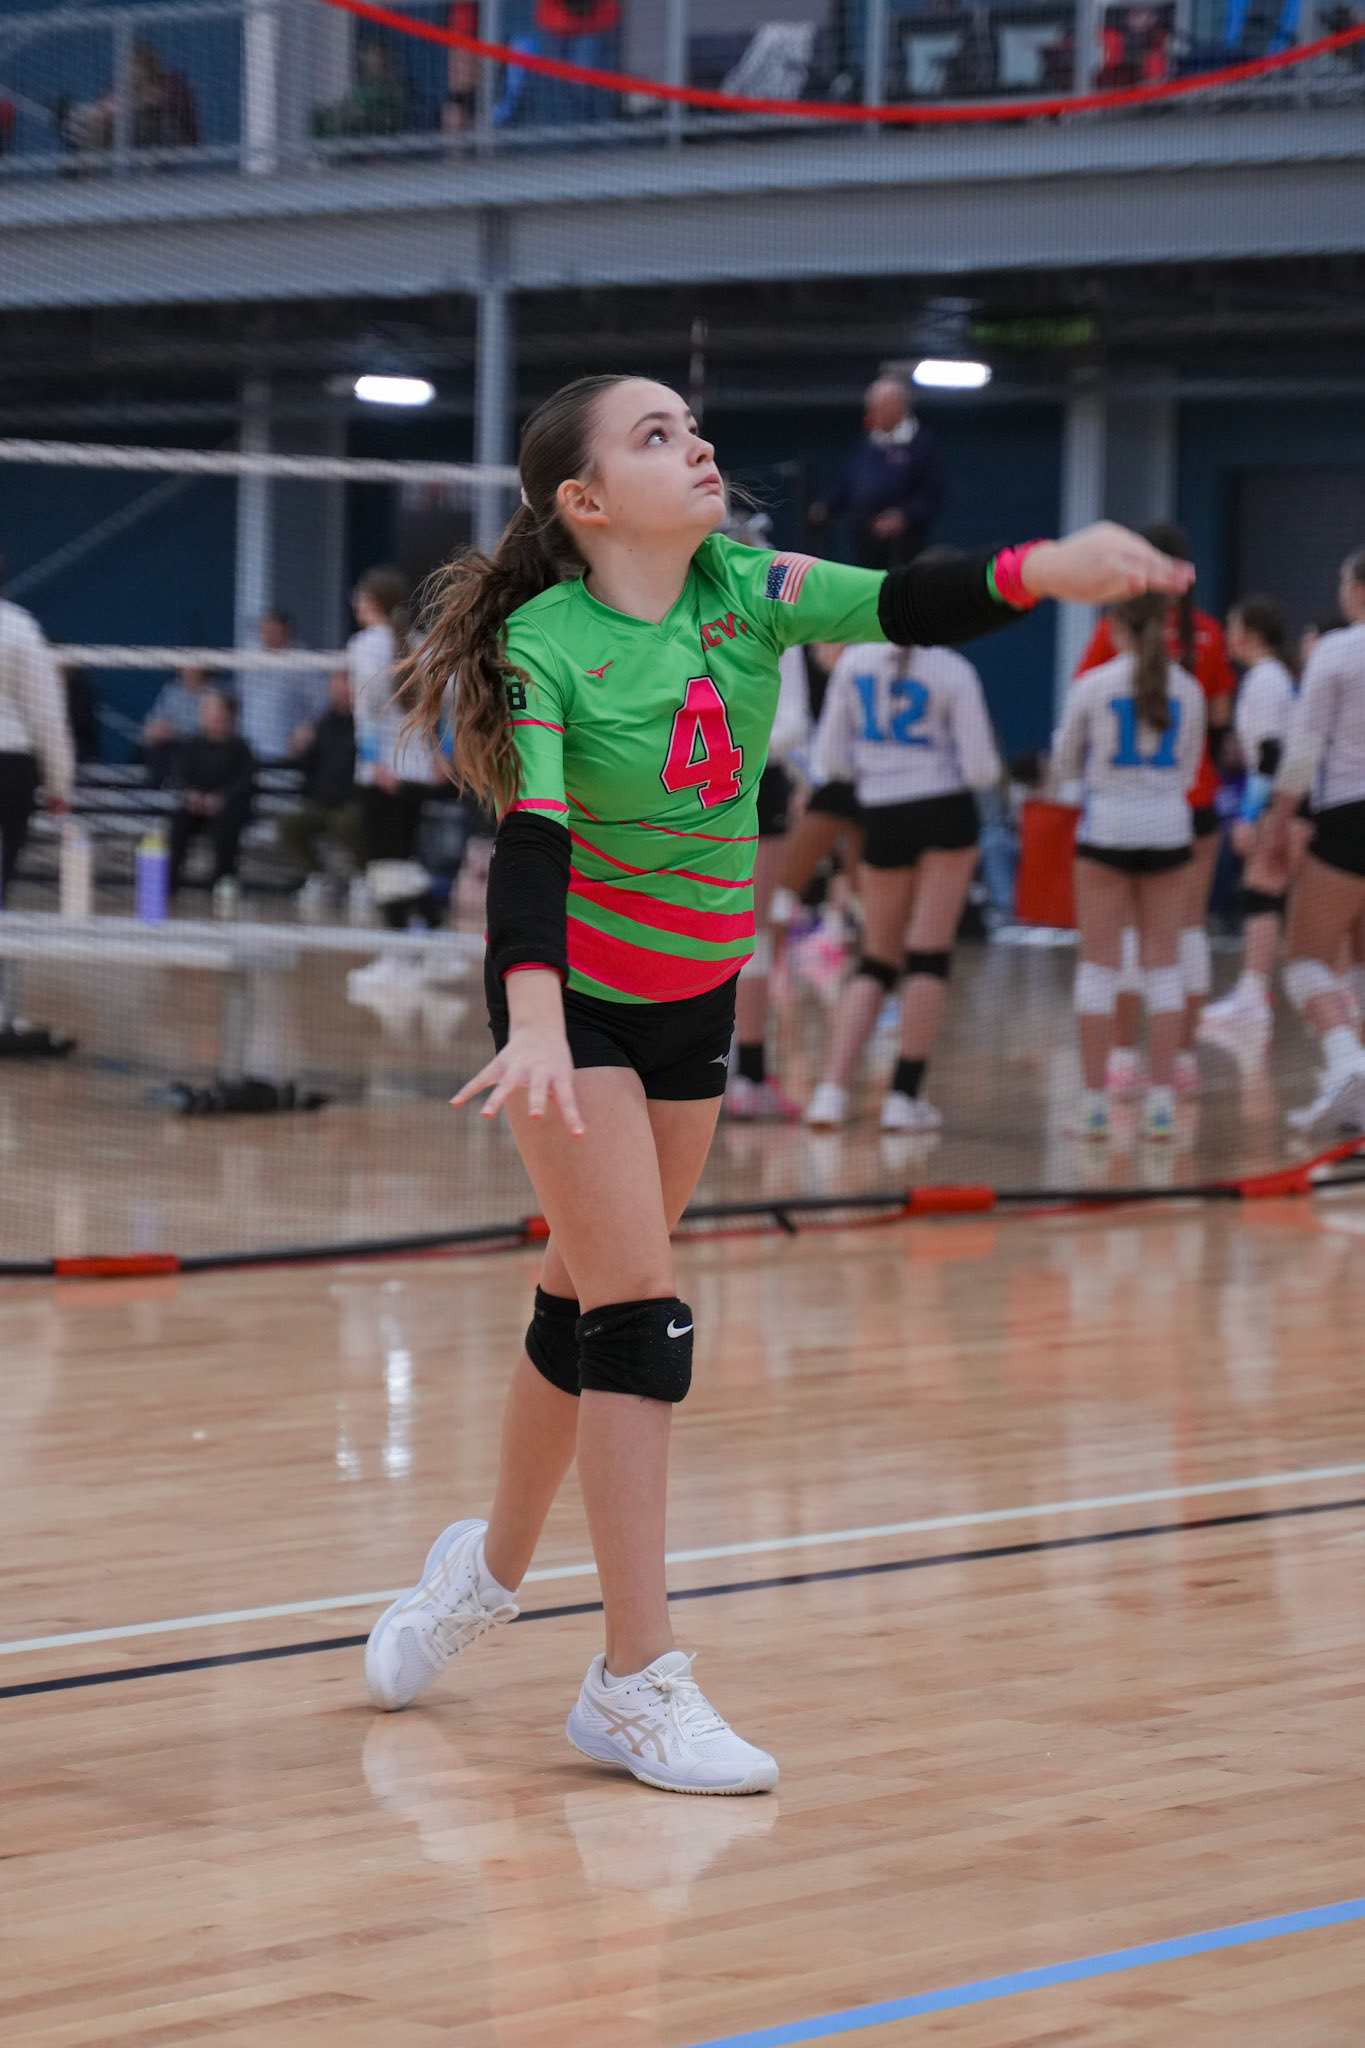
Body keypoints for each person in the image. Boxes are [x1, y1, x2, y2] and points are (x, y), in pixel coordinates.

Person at [357, 370, 1190, 1795]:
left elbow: (908, 601)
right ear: (584, 500)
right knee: (640, 1313)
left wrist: (1048, 569)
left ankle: (483, 1571)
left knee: (582, 1287)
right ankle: (634, 1680)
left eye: (693, 426)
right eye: (657, 435)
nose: (698, 446)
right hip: (577, 1009)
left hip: (696, 999)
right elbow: (532, 842)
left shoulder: (747, 588)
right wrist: (535, 1016)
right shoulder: (547, 643)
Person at [803, 639, 1001, 1132]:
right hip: (946, 812)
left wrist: (881, 768)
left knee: (877, 958)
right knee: (927, 956)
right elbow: (982, 770)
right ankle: (902, 1099)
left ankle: (830, 1094)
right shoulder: (954, 668)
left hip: (882, 813)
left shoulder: (854, 662)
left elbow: (830, 758)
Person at [1072, 522, 1235, 1099]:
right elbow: (1220, 722)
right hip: (1191, 805)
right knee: (1184, 937)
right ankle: (1179, 1062)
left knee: (1117, 945)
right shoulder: (1210, 633)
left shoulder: (1111, 629)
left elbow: (1086, 710)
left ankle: (1120, 1061)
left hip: (1120, 811)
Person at [1054, 591, 1206, 1142]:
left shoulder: (1093, 685)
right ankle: (1162, 1107)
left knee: (1099, 967)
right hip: (1169, 829)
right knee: (1164, 967)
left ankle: (1095, 1107)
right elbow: (1189, 769)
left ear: (1115, 625)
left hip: (1108, 830)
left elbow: (1065, 761)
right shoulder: (1188, 688)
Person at [1262, 547, 1365, 1131]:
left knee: (1303, 957)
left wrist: (1279, 823)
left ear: (1359, 591)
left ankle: (1347, 1059)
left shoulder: (1338, 650)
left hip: (1350, 814)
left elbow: (1304, 749)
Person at [1197, 595, 1300, 1064]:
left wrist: (1250, 815)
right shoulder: (1274, 677)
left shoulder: (1263, 680)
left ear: (1250, 635)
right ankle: (1254, 993)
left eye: (1232, 627)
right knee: (1272, 896)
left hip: (1280, 803)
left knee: (1263, 894)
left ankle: (1253, 996)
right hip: (1290, 799)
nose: (1227, 636)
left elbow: (1269, 754)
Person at [349, 567, 441, 929]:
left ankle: (427, 929)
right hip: (417, 770)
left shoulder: (363, 646)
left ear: (371, 601)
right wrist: (443, 755)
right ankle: (411, 939)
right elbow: (454, 705)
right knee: (399, 859)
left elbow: (365, 713)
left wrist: (375, 764)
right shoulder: (424, 644)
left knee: (384, 864)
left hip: (384, 772)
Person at [810, 375, 947, 572]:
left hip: (902, 548)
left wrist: (902, 516)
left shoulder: (921, 444)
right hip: (861, 542)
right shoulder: (866, 442)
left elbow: (932, 494)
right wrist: (826, 506)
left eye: (878, 406)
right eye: (871, 406)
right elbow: (848, 483)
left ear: (899, 407)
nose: (872, 413)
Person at [277, 670, 361, 894]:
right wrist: (298, 748)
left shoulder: (365, 722)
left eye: (345, 682)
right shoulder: (322, 723)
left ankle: (365, 876)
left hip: (353, 804)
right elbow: (306, 763)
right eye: (336, 683)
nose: (340, 690)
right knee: (289, 824)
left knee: (345, 822)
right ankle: (319, 876)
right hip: (322, 804)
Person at [168, 691, 255, 896]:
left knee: (228, 824)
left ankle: (223, 880)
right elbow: (180, 775)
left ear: (228, 716)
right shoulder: (191, 746)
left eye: (217, 713)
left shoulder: (240, 748)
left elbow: (244, 782)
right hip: (196, 808)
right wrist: (192, 796)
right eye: (207, 712)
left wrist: (221, 799)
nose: (212, 718)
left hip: (229, 808)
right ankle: (170, 882)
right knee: (179, 823)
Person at [238, 611, 319, 765]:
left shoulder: (302, 661)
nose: (267, 636)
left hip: (287, 750)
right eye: (264, 630)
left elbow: (321, 703)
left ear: (286, 631)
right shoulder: (251, 657)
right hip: (250, 751)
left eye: (272, 630)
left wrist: (306, 729)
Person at [141, 663, 213, 785]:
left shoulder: (214, 691)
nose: (191, 670)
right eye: (186, 665)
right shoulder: (172, 690)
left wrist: (175, 732)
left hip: (200, 747)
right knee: (152, 746)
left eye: (195, 664)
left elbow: (209, 728)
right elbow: (154, 719)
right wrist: (154, 729)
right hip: (170, 745)